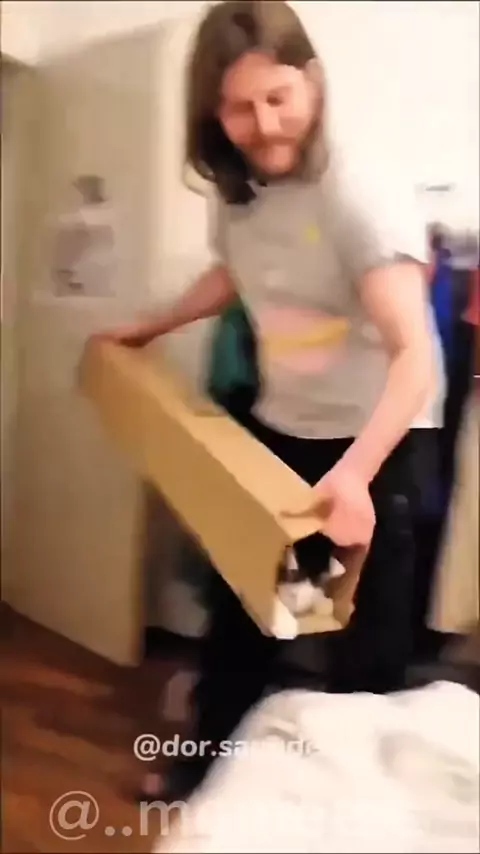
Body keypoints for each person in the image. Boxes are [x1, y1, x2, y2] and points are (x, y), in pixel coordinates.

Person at [91, 0, 443, 802]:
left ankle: (353, 812)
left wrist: (355, 476)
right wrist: (152, 325)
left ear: (313, 82)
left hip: (372, 446)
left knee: (360, 644)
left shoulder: (358, 191)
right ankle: (206, 770)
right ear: (212, 113)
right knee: (253, 614)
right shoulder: (237, 189)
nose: (266, 125)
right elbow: (235, 272)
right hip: (284, 432)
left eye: (279, 98)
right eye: (240, 108)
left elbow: (416, 355)